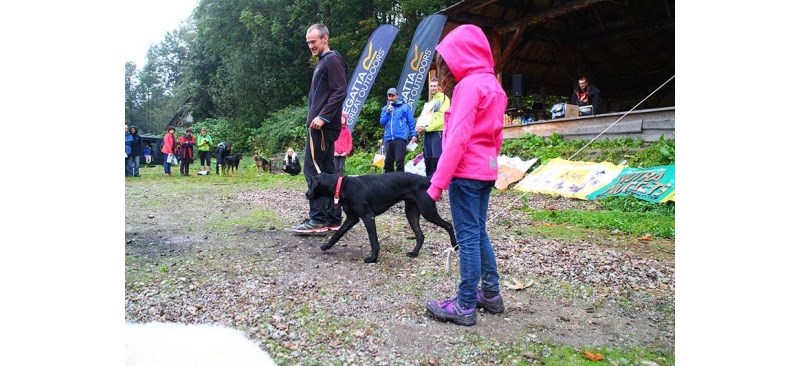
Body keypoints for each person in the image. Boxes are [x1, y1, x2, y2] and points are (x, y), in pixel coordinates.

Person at [424, 24, 507, 326]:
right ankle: (491, 293)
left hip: (465, 174)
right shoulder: (494, 87)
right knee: (479, 231)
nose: (447, 67)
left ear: (462, 55)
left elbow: (457, 139)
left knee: (468, 238)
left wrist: (436, 185)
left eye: (448, 59)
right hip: (486, 171)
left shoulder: (468, 87)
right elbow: (496, 137)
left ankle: (464, 305)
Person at [291, 23, 346, 234]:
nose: (310, 46)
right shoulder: (324, 61)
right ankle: (333, 217)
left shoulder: (332, 59)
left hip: (321, 127)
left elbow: (340, 91)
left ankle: (318, 219)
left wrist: (323, 117)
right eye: (308, 43)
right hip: (321, 126)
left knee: (313, 171)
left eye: (313, 42)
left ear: (325, 38)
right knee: (329, 172)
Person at [416, 79, 450, 178]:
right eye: (431, 86)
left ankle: (438, 181)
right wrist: (421, 126)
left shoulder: (444, 99)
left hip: (437, 132)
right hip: (428, 132)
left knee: (436, 157)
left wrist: (426, 128)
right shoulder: (432, 100)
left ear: (439, 86)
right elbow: (426, 117)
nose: (433, 88)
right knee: (428, 157)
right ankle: (428, 181)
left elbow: (443, 118)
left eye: (435, 86)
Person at [379, 87, 417, 173]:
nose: (391, 98)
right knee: (388, 163)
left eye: (393, 95)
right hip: (388, 138)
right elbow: (382, 122)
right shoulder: (385, 108)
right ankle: (389, 184)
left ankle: (400, 184)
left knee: (399, 162)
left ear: (397, 96)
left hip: (400, 138)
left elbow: (411, 121)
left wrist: (413, 134)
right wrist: (387, 112)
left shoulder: (404, 107)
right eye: (389, 96)